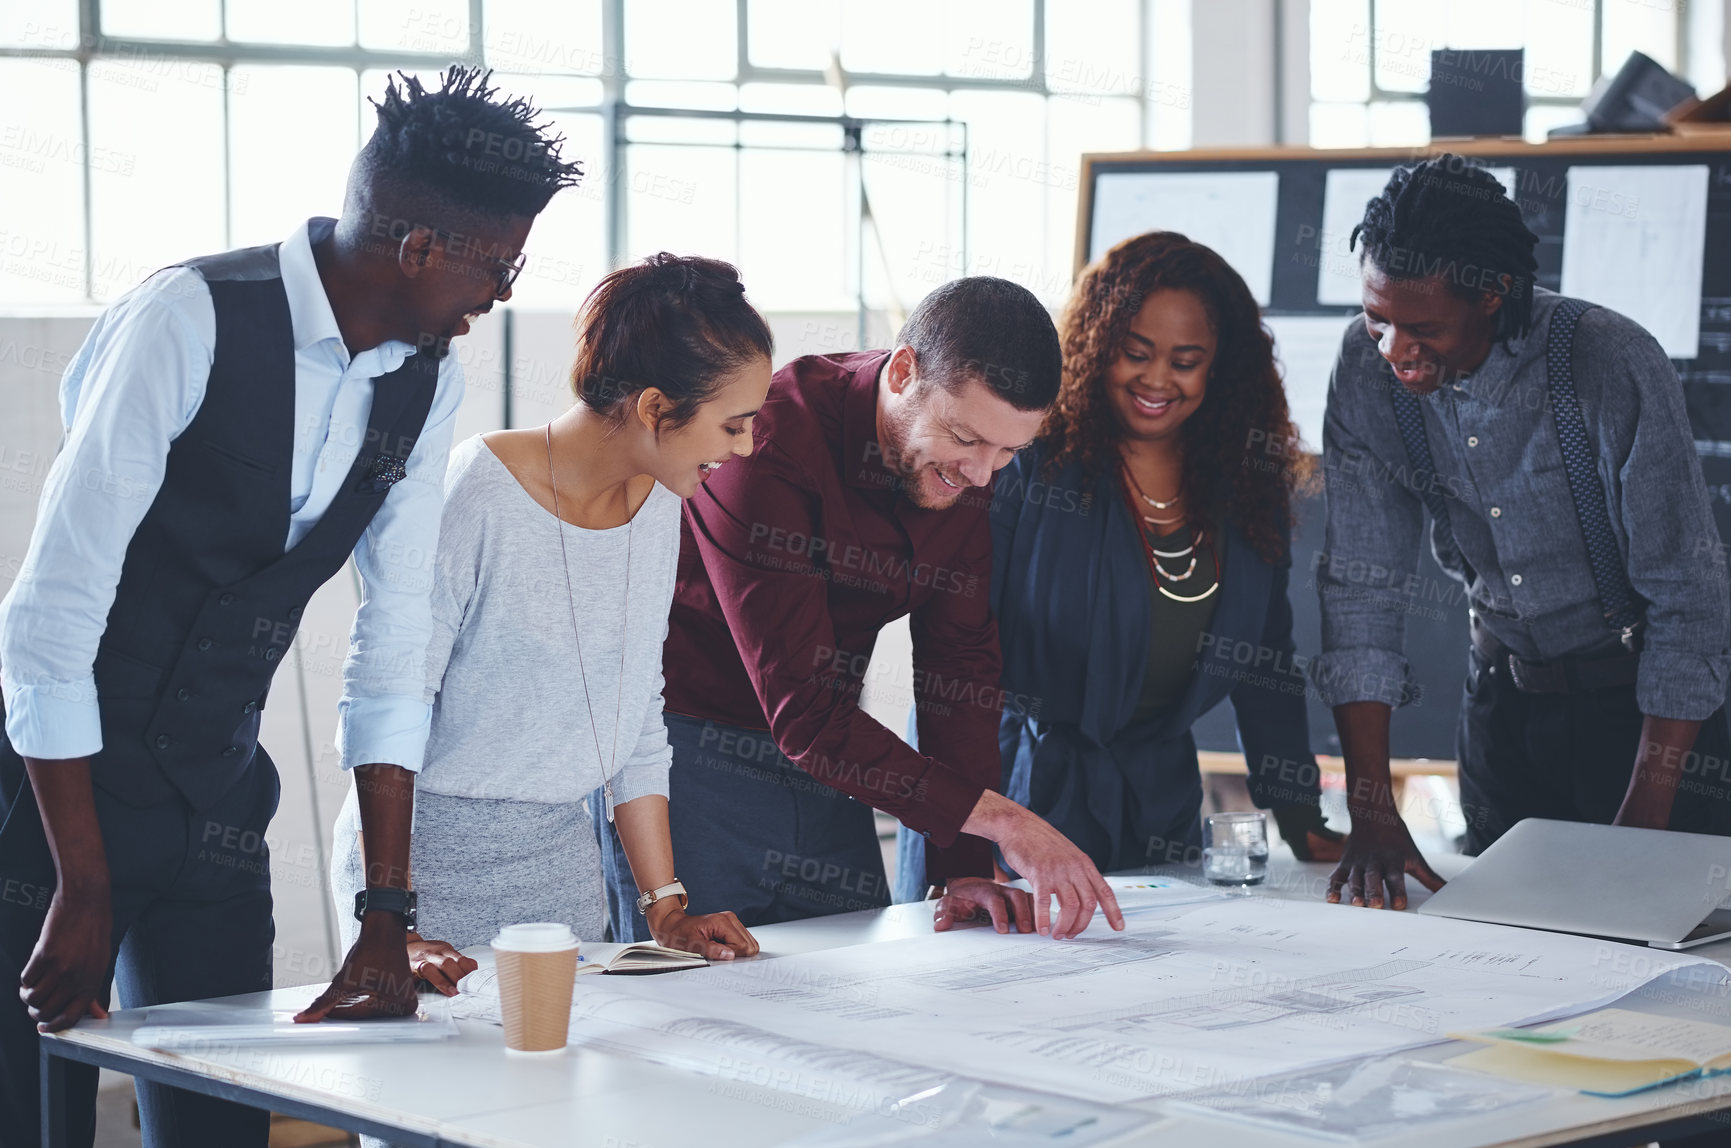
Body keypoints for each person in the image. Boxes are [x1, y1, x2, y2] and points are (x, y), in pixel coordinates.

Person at [0, 67, 578, 1148]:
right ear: (419, 250)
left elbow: (395, 643)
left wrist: (385, 919)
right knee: (33, 1127)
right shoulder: (188, 319)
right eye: (498, 264)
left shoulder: (423, 375)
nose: (499, 293)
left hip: (217, 806)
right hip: (49, 809)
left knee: (220, 1132)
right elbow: (48, 616)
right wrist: (80, 882)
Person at [327, 255, 764, 1148]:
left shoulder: (659, 500)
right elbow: (390, 707)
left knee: (562, 1132)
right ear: (653, 408)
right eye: (733, 422)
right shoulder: (474, 492)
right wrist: (389, 921)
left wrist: (665, 905)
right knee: (430, 1133)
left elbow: (638, 712)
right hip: (423, 871)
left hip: (561, 873)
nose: (745, 446)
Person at [598, 276, 1126, 946]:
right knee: (697, 1002)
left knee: (851, 976)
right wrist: (1008, 822)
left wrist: (962, 866)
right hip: (687, 752)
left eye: (1008, 452)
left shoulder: (969, 464)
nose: (982, 475)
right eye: (965, 437)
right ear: (903, 370)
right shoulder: (766, 442)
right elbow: (803, 709)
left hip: (835, 751)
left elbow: (956, 664)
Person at [1313, 155, 1731, 913]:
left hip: (1642, 720)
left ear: (1491, 294)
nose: (1392, 351)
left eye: (1423, 328)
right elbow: (1359, 587)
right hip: (1501, 713)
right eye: (1376, 318)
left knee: (1650, 969)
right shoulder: (1366, 369)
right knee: (1508, 966)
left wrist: (1642, 828)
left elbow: (1689, 600)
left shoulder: (1606, 361)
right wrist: (1371, 807)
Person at [894, 232, 1341, 893]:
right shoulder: (1022, 459)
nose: (1157, 379)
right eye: (1135, 353)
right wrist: (968, 835)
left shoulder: (1243, 485)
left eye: (1186, 360)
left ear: (1220, 367)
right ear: (1096, 345)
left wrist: (1299, 814)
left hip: (1155, 804)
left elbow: (1264, 662)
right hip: (1013, 792)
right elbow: (956, 661)